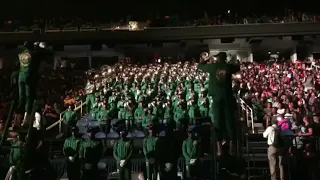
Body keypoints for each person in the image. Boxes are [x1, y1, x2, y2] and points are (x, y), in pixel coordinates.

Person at [197, 52, 240, 156]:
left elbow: (200, 66)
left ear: (217, 58)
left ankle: (219, 148)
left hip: (216, 98)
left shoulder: (212, 66)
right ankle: (232, 147)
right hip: (227, 98)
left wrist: (206, 59)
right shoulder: (228, 67)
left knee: (217, 123)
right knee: (229, 122)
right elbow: (237, 67)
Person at [17, 42, 46, 116]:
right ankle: (26, 117)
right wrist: (39, 47)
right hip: (29, 76)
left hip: (21, 76)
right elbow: (42, 54)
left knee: (21, 97)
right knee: (29, 97)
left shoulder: (21, 54)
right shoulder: (33, 54)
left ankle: (18, 116)